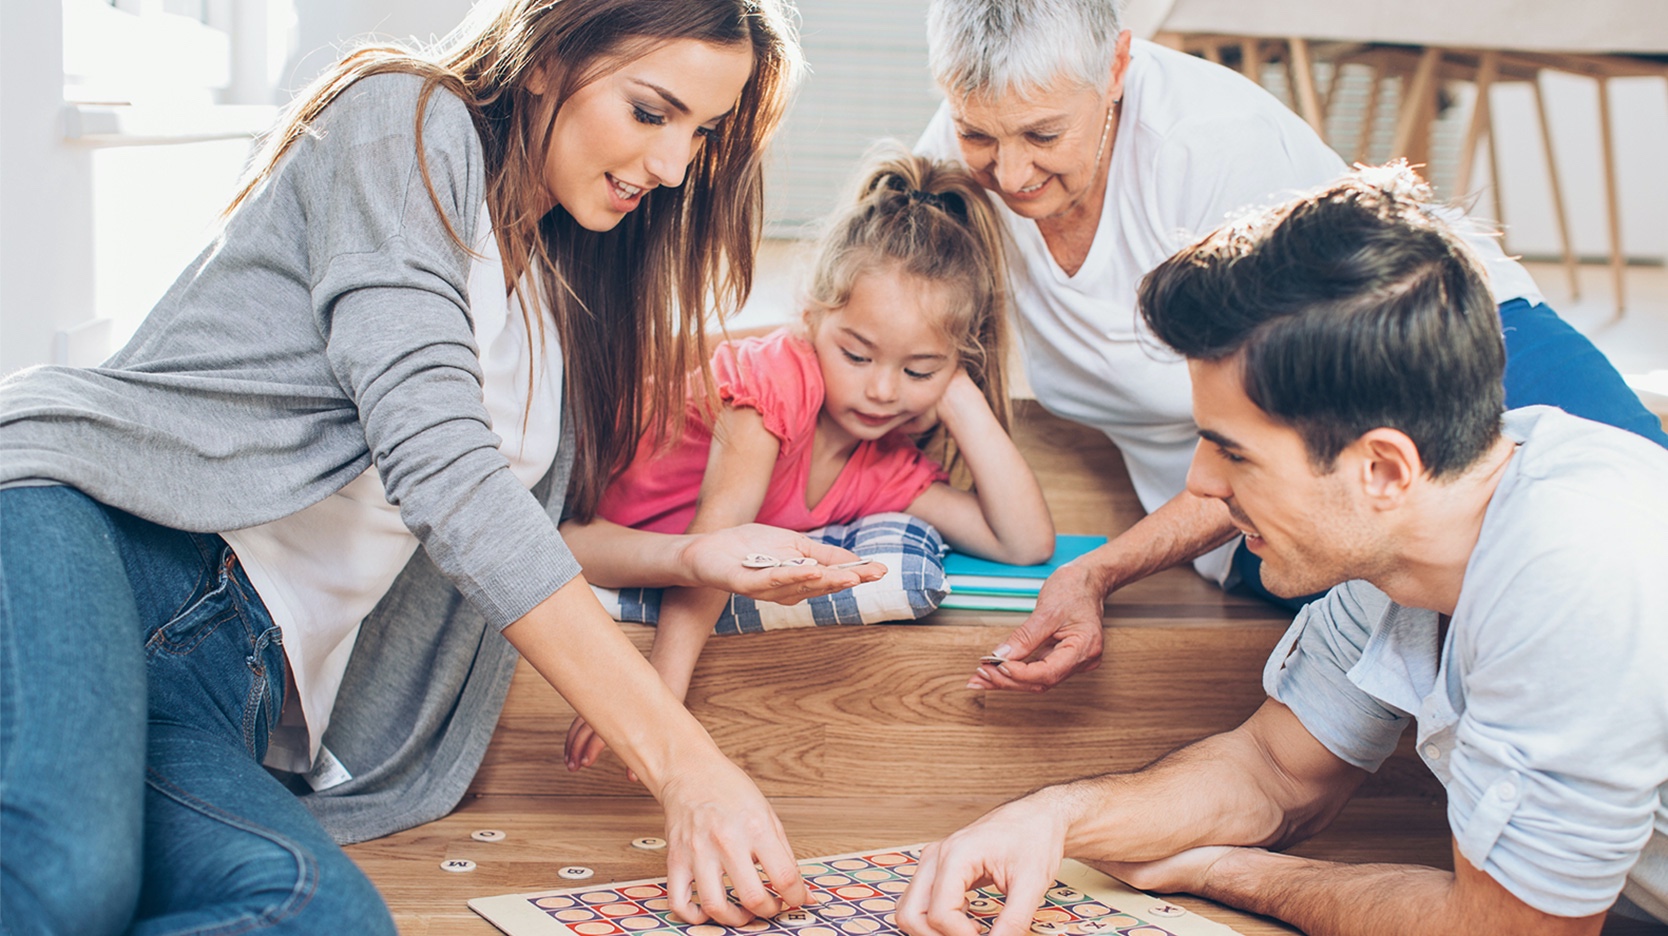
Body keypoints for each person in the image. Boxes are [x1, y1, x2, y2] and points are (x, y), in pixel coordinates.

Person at [0, 1, 888, 932]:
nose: (672, 168)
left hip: (229, 679)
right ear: (548, 55)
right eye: (650, 111)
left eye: (700, 133)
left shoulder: (555, 295)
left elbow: (513, 533)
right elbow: (440, 470)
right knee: (67, 879)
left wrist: (687, 559)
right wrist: (687, 764)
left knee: (314, 915)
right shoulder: (404, 123)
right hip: (92, 543)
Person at [894, 168, 1668, 936]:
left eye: (1233, 453)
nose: (1200, 483)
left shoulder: (1579, 563)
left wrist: (1227, 871)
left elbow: (1507, 933)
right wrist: (1051, 819)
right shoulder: (1406, 537)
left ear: (1382, 469)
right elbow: (1274, 770)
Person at [911, 0, 1668, 692]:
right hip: (1259, 490)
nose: (1008, 174)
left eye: (1043, 135)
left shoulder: (1213, 147)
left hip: (1467, 348)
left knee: (1638, 553)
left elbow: (1295, 424)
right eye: (979, 134)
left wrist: (1101, 570)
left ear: (1116, 70)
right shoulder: (953, 151)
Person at [561, 150, 1057, 772]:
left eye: (918, 368)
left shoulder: (882, 464)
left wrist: (959, 391)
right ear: (813, 320)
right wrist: (658, 696)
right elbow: (720, 534)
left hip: (644, 554)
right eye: (857, 355)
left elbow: (1025, 542)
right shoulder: (780, 379)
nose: (883, 390)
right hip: (574, 532)